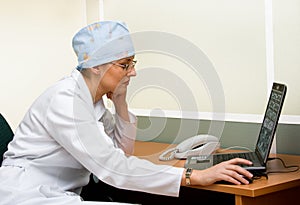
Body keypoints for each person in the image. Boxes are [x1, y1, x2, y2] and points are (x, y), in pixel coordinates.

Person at [0, 20, 253, 205]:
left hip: (59, 193)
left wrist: (120, 102)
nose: (133, 72)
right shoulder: (65, 101)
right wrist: (194, 176)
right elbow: (113, 168)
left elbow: (122, 152)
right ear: (96, 66)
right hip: (28, 194)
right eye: (124, 65)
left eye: (133, 63)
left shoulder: (93, 101)